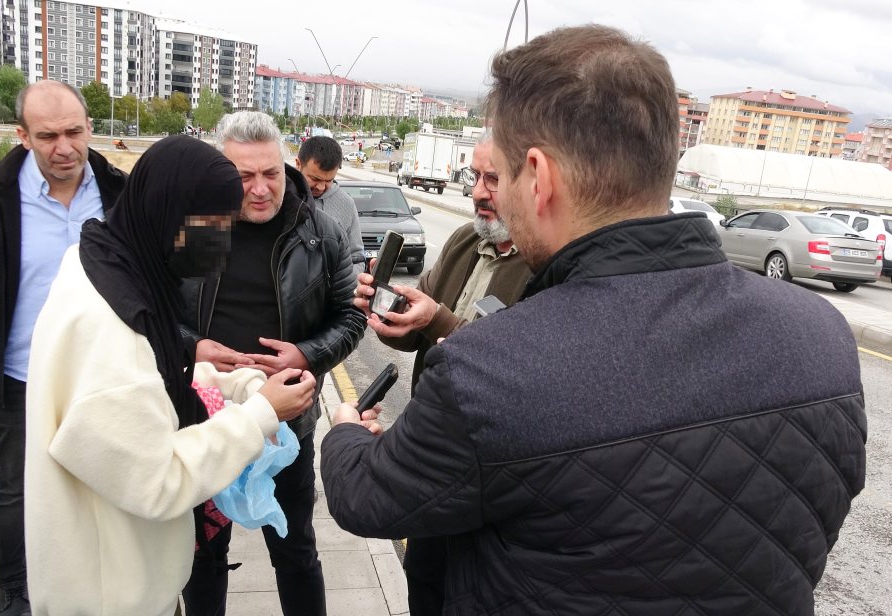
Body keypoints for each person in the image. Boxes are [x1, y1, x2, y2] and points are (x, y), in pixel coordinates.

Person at [321, 25, 867, 615]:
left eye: (501, 176)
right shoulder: (822, 338)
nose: (493, 197)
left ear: (539, 176)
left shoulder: (489, 372)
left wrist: (346, 433)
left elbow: (369, 499)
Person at [22, 136, 317, 615]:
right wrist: (260, 414)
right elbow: (157, 480)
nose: (220, 243)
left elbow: (145, 388)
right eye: (213, 226)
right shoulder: (108, 328)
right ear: (170, 212)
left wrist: (232, 385)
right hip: (111, 595)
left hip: (120, 571)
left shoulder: (102, 261)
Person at [0, 80, 128, 616]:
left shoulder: (118, 190)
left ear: (90, 128)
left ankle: (98, 576)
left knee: (102, 478)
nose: (64, 147)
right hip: (21, 373)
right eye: (47, 136)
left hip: (102, 373)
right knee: (16, 485)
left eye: (74, 131)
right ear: (23, 135)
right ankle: (14, 587)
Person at [181, 111, 367, 616]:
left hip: (286, 421)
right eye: (243, 176)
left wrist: (307, 353)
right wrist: (191, 347)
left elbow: (351, 319)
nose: (261, 189)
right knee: (202, 554)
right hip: (206, 418)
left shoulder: (318, 233)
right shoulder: (204, 226)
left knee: (295, 549)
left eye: (269, 172)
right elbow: (158, 315)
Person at [353, 130, 531, 614]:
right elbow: (416, 334)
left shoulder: (545, 265)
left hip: (492, 476)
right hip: (435, 460)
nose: (476, 192)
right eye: (475, 176)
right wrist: (388, 314)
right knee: (423, 579)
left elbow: (503, 364)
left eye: (492, 179)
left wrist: (436, 319)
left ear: (531, 181)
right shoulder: (464, 240)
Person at [295, 135, 366, 275]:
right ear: (298, 164)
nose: (321, 187)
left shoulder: (346, 204)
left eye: (329, 180)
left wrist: (349, 287)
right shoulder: (280, 197)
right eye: (315, 179)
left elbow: (356, 257)